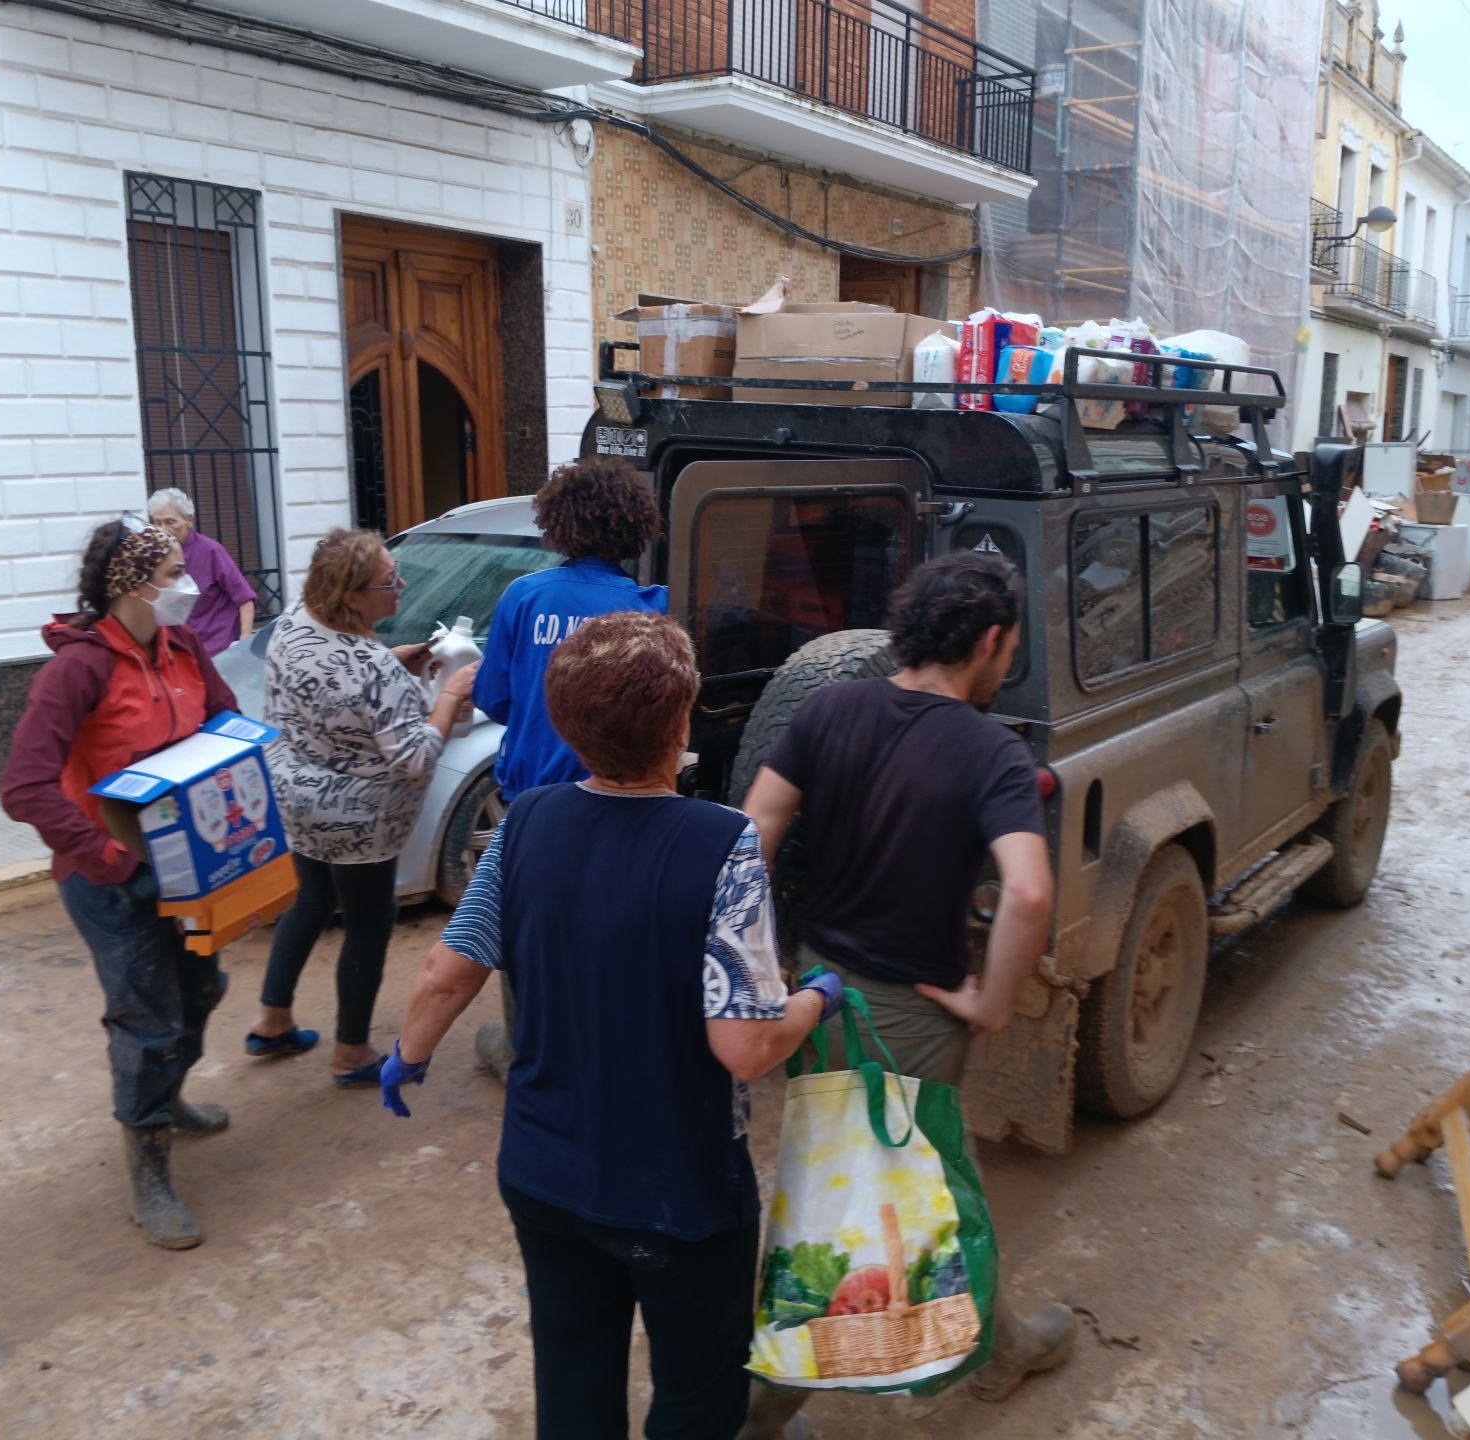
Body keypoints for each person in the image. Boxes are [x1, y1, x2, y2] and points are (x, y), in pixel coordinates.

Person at [382, 610, 839, 1439]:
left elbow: (447, 971)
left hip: (543, 1173)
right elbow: (742, 1045)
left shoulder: (526, 824)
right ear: (680, 723)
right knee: (698, 1397)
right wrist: (815, 999)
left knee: (574, 1379)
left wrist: (407, 1057)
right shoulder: (724, 843)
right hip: (678, 1194)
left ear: (565, 723)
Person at [738, 551, 1076, 1438]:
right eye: (1009, 651)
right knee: (874, 1202)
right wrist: (992, 1004)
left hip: (818, 986)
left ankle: (1001, 1345)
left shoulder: (831, 706)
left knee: (904, 1182)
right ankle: (763, 1408)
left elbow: (754, 827)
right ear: (991, 640)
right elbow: (1030, 893)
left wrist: (759, 960)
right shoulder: (991, 752)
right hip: (909, 1021)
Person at [0, 516, 235, 1249]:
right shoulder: (78, 668)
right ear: (133, 586)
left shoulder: (184, 645)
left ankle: (165, 1097)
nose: (188, 583)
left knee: (201, 990)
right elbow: (23, 787)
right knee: (147, 1019)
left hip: (186, 864)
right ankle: (149, 1168)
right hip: (110, 878)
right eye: (173, 572)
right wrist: (102, 852)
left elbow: (224, 719)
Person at [246, 528, 477, 1088]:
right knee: (370, 924)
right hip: (359, 824)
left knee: (312, 897)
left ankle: (272, 1018)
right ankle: (351, 1052)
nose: (400, 587)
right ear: (352, 596)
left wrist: (394, 663)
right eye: (387, 582)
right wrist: (446, 697)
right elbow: (416, 757)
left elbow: (334, 686)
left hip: (298, 802)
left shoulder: (297, 623)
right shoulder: (370, 669)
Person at [469, 455, 666, 1072]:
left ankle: (523, 1047)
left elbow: (494, 697)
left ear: (558, 524)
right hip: (615, 797)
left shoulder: (524, 597)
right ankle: (599, 1047)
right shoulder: (645, 611)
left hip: (530, 806)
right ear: (634, 528)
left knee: (526, 928)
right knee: (603, 929)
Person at [148, 487, 258, 657]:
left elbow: (245, 599)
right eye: (157, 523)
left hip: (219, 649)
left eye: (170, 522)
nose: (163, 529)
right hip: (181, 651)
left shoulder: (211, 551)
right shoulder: (154, 556)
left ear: (190, 520)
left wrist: (244, 641)